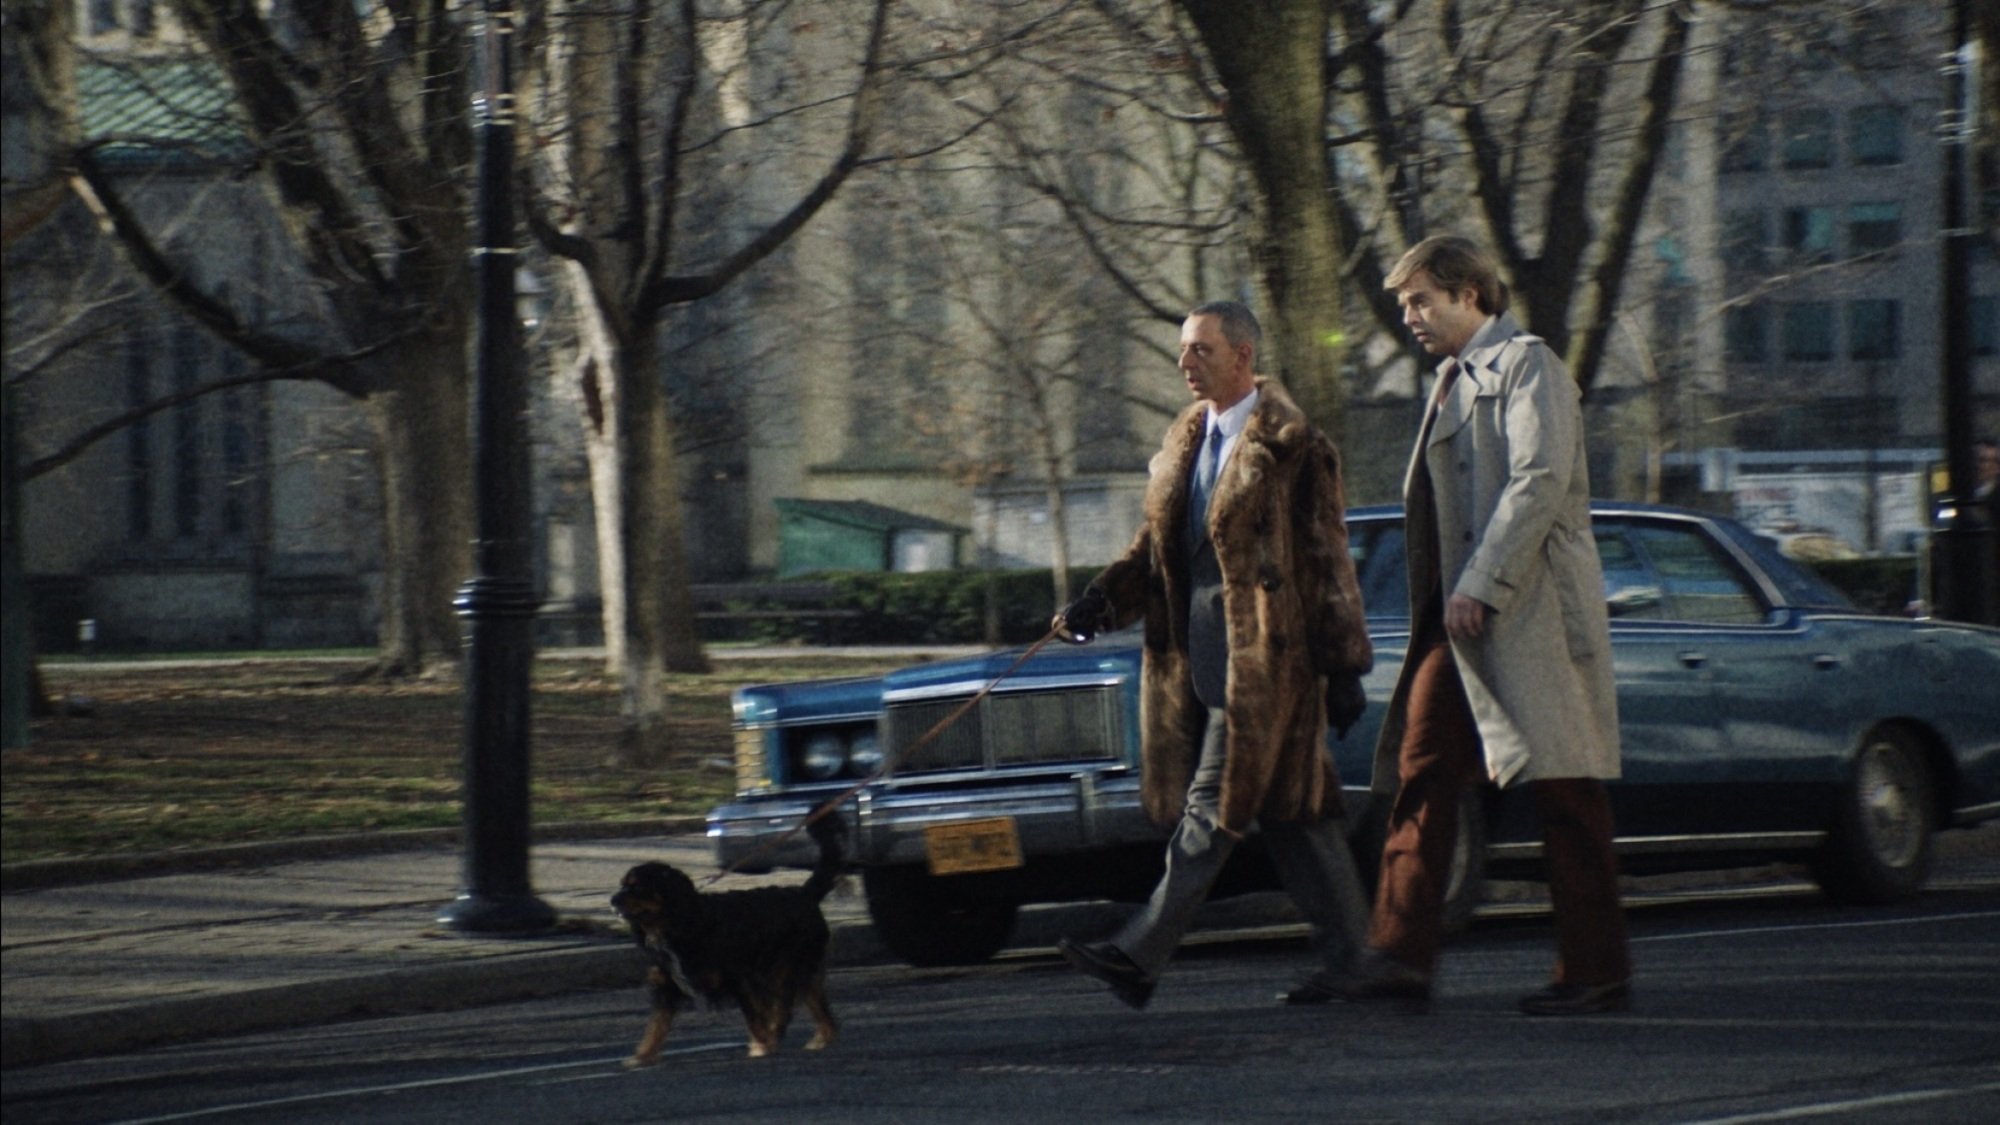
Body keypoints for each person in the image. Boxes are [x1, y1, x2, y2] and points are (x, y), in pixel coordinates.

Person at [1317, 235, 1630, 1016]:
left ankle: (1595, 968)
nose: (1411, 317)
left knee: (1566, 787)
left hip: (1528, 615)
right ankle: (1397, 952)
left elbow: (1540, 481)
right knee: (1419, 771)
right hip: (1455, 622)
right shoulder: (1450, 381)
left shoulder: (1530, 366)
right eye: (1404, 305)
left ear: (1471, 294)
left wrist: (1483, 584)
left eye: (1422, 300)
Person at [1050, 300, 1375, 1009]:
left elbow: (1326, 558)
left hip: (1267, 664)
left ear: (1243, 357)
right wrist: (1100, 602)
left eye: (1200, 349)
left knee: (1213, 805)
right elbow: (1153, 553)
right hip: (1196, 660)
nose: (1184, 363)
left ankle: (1140, 953)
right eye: (1183, 350)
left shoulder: (1294, 444)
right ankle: (1359, 960)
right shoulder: (1186, 442)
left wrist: (1344, 661)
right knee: (1299, 814)